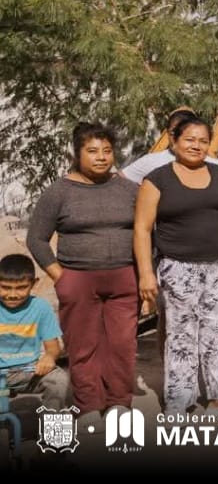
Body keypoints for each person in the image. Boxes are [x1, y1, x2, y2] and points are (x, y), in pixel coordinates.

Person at [134, 115, 218, 415]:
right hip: (177, 267)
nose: (196, 146)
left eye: (202, 140)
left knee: (216, 330)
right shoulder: (157, 179)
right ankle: (179, 401)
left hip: (217, 265)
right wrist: (146, 273)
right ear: (174, 141)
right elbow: (143, 229)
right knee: (181, 334)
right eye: (189, 139)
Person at [26, 123, 138, 425]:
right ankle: (88, 406)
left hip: (125, 278)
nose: (101, 157)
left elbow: (144, 231)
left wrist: (145, 273)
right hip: (77, 278)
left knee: (122, 344)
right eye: (92, 151)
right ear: (77, 153)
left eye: (107, 150)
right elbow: (36, 238)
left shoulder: (129, 189)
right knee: (82, 345)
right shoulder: (59, 191)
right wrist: (61, 276)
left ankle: (118, 403)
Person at [0, 254, 68, 411]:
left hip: (30, 371)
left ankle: (53, 432)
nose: (12, 294)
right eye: (5, 287)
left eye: (21, 287)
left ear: (34, 284)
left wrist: (49, 358)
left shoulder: (41, 308)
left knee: (59, 380)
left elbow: (53, 348)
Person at [120, 107, 218, 184]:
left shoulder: (216, 167)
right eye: (173, 132)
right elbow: (120, 181)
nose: (175, 137)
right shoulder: (151, 161)